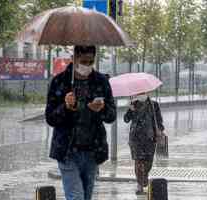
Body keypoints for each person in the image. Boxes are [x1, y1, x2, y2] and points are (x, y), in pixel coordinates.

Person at [45, 46, 116, 200]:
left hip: (92, 151)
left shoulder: (101, 81)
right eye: (83, 61)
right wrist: (65, 107)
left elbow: (112, 115)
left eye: (90, 62)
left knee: (86, 196)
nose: (87, 65)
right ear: (74, 58)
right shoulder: (59, 82)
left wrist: (102, 109)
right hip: (67, 151)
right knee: (76, 196)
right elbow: (50, 118)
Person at [123, 93, 165, 195]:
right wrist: (130, 110)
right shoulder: (133, 104)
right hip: (135, 139)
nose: (141, 94)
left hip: (150, 139)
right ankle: (139, 186)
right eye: (139, 92)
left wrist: (159, 130)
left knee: (148, 162)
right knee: (138, 161)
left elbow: (160, 121)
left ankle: (144, 176)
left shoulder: (154, 105)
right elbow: (126, 119)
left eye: (143, 92)